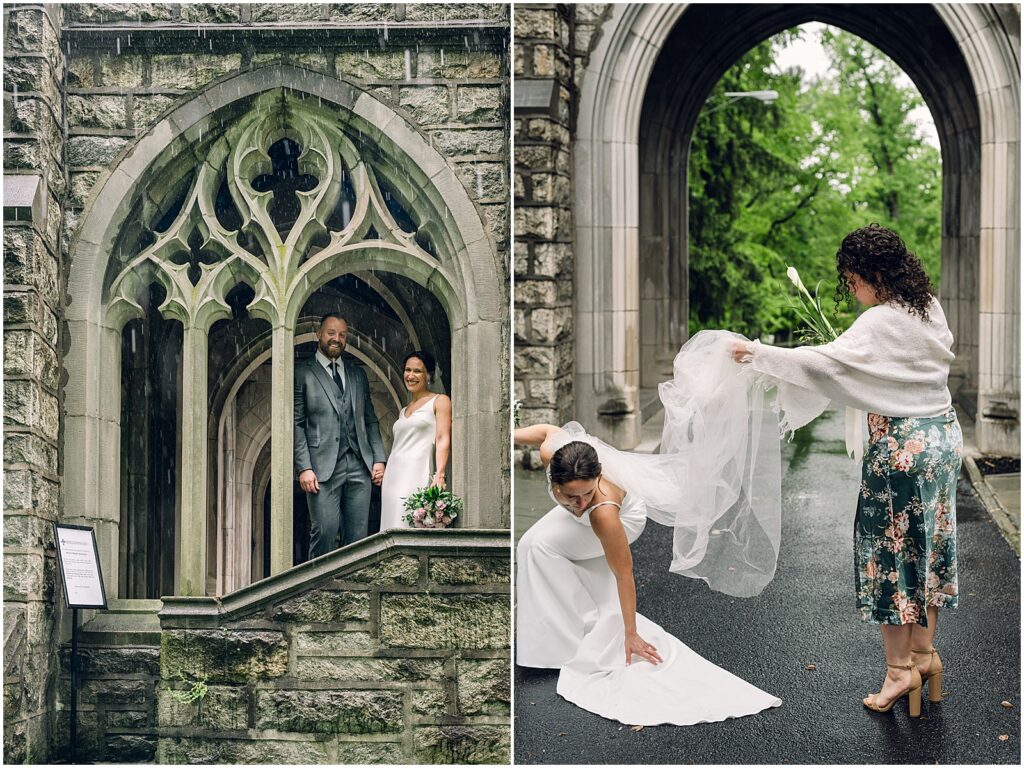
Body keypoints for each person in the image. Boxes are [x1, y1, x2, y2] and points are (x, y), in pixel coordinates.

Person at [731, 224, 960, 718]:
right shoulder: (927, 306)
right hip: (941, 439)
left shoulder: (879, 319)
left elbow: (828, 365)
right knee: (928, 546)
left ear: (873, 275)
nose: (852, 291)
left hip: (901, 448)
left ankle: (900, 671)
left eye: (852, 280)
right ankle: (926, 656)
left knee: (889, 555)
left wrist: (759, 354)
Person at [514, 422, 782, 726]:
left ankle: (568, 642)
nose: (580, 503)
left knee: (543, 548)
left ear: (597, 478)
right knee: (530, 544)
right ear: (555, 481)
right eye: (571, 496)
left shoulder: (601, 511)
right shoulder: (553, 455)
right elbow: (547, 431)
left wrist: (630, 634)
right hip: (598, 513)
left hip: (624, 519)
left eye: (587, 493)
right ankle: (556, 634)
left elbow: (623, 573)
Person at [294, 313, 386, 557]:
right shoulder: (302, 372)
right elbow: (296, 423)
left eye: (342, 335)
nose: (336, 339)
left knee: (357, 536)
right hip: (321, 467)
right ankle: (317, 591)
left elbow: (370, 419)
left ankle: (352, 590)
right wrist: (304, 467)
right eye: (331, 333)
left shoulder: (357, 374)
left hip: (359, 464)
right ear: (319, 334)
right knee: (324, 530)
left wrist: (379, 458)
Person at [380, 350, 452, 530]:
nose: (410, 376)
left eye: (417, 371)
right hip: (393, 475)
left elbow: (443, 438)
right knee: (390, 525)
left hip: (416, 473)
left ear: (429, 375)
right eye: (407, 370)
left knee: (406, 523)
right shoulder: (403, 410)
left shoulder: (440, 401)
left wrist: (440, 474)